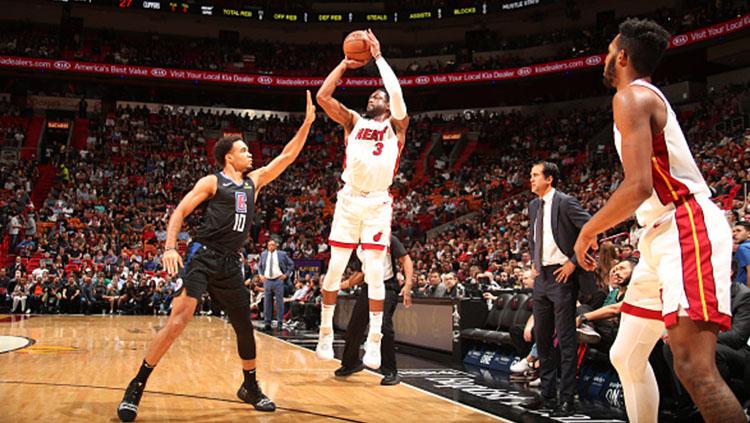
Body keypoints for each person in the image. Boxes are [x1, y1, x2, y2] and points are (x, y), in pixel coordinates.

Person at [573, 18, 745, 422]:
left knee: (693, 368)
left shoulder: (631, 97)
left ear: (624, 57)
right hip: (659, 236)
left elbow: (638, 187)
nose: (605, 57)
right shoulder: (640, 98)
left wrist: (588, 230)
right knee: (626, 354)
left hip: (686, 226)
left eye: (610, 50)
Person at [116, 91, 315, 422]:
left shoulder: (254, 182)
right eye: (243, 151)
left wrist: (307, 123)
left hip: (230, 262)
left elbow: (286, 157)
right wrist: (169, 247)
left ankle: (250, 386)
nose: (249, 154)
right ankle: (136, 386)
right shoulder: (212, 181)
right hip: (202, 255)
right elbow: (180, 210)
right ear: (228, 158)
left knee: (244, 327)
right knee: (180, 318)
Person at [315, 29, 409, 371]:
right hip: (349, 199)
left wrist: (379, 58)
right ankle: (325, 333)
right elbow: (324, 97)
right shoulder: (353, 121)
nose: (374, 96)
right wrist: (344, 64)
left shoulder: (398, 126)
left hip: (378, 203)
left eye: (378, 95)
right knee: (335, 268)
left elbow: (396, 93)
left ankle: (374, 342)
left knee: (373, 272)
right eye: (371, 94)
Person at [523, 161, 592, 417]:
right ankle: (547, 396)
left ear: (549, 179)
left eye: (535, 175)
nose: (530, 180)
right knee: (542, 339)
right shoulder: (533, 205)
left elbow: (591, 227)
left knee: (565, 339)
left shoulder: (565, 202)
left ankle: (567, 398)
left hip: (563, 275)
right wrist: (533, 259)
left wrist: (574, 263)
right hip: (542, 277)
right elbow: (534, 236)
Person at [334, 234, 413, 385]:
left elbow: (405, 259)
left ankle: (391, 371)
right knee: (355, 325)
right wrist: (337, 285)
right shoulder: (359, 246)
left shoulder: (388, 238)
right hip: (368, 287)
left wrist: (408, 284)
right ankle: (351, 363)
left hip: (387, 287)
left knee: (383, 326)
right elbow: (359, 275)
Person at [257, 239, 294, 330]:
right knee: (267, 302)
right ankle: (267, 323)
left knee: (279, 302)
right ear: (267, 246)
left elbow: (291, 264)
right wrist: (261, 275)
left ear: (276, 246)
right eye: (269, 245)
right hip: (267, 280)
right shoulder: (263, 254)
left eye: (273, 245)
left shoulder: (282, 254)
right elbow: (259, 266)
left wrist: (286, 275)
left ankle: (280, 322)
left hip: (278, 280)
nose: (271, 246)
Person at [732, 221, 750, 286]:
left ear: (749, 234)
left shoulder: (743, 248)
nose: (734, 234)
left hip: (743, 291)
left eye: (738, 231)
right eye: (733, 231)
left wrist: (748, 293)